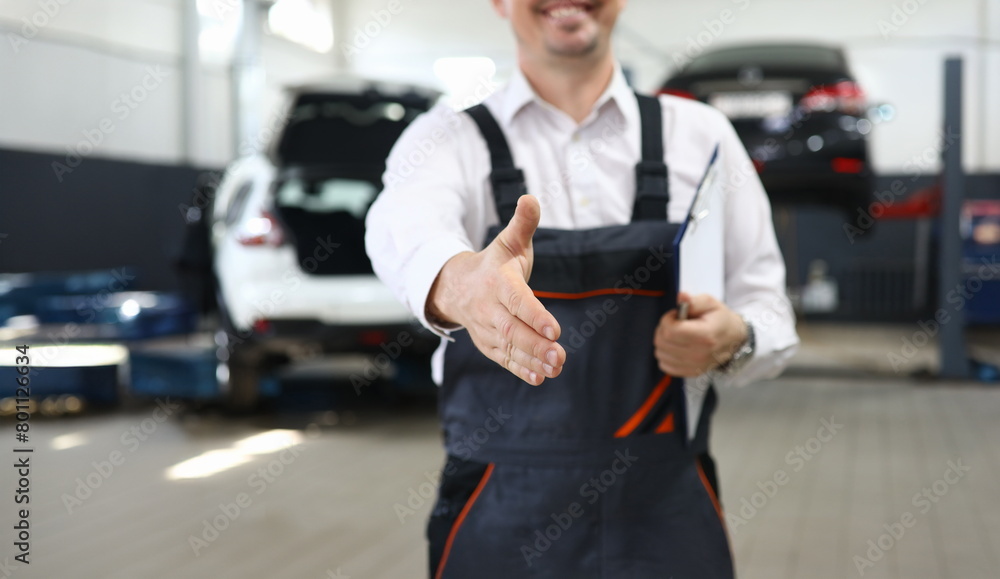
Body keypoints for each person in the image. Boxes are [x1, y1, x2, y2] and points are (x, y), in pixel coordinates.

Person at [365, 1, 799, 576]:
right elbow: (399, 228)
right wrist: (459, 284)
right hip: (498, 514)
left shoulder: (701, 136)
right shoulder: (446, 139)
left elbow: (768, 308)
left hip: (667, 512)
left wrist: (734, 339)